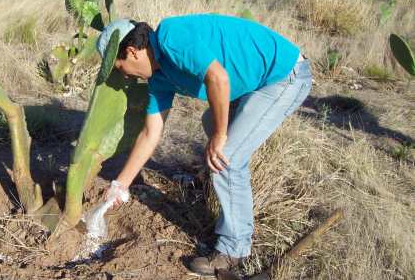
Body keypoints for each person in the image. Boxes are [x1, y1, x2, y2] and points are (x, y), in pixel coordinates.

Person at [96, 14, 312, 276]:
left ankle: (234, 249)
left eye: (121, 68)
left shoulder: (170, 36)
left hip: (282, 76)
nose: (127, 78)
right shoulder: (159, 78)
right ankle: (219, 186)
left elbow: (217, 78)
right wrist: (120, 185)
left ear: (132, 52)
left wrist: (221, 136)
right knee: (212, 121)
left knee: (225, 156)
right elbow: (151, 132)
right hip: (254, 82)